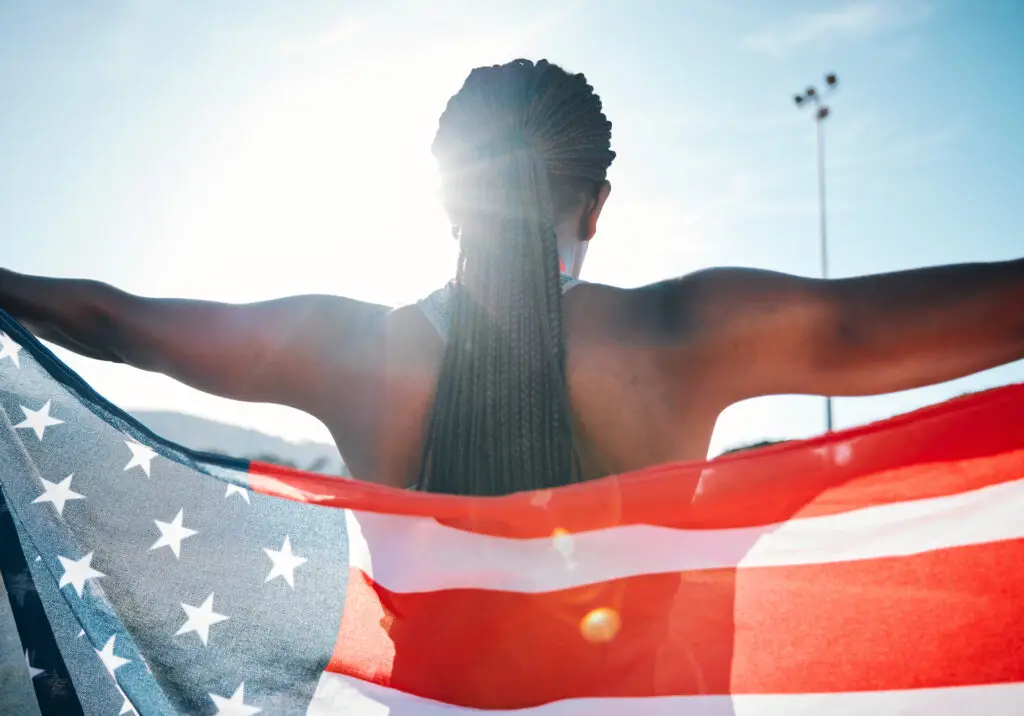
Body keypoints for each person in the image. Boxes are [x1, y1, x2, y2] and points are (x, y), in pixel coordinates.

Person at [1, 59, 1021, 496]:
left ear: (446, 199)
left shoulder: (343, 348)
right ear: (595, 204)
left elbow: (113, 319)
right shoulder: (689, 329)